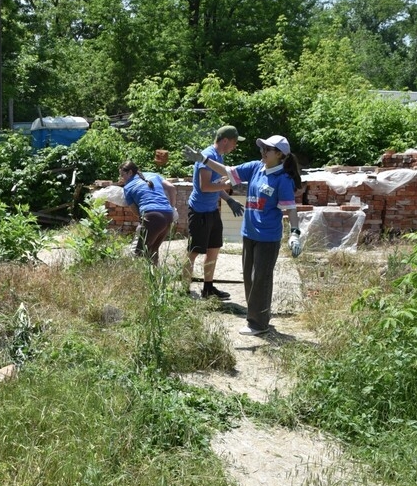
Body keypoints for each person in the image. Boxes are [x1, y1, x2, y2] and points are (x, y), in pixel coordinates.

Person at [183, 135, 303, 336]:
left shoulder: (283, 179)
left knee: (261, 280)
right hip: (249, 233)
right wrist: (202, 160)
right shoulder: (257, 167)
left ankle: (259, 324)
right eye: (263, 148)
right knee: (249, 278)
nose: (263, 152)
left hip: (268, 237)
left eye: (268, 149)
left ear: (280, 155)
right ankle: (256, 316)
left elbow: (291, 210)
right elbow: (228, 172)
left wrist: (295, 233)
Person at [184, 125, 247, 300]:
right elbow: (205, 187)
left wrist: (228, 199)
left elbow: (216, 185)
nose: (235, 146)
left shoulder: (219, 156)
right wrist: (230, 184)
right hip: (199, 211)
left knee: (214, 249)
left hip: (211, 210)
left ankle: (208, 289)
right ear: (225, 140)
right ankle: (183, 289)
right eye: (234, 142)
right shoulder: (208, 156)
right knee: (194, 251)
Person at [117, 160, 178, 265]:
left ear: (130, 172)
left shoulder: (127, 187)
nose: (122, 178)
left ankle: (139, 280)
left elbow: (136, 211)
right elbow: (172, 188)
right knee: (153, 250)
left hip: (152, 216)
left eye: (123, 175)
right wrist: (172, 207)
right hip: (168, 215)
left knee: (139, 253)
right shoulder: (153, 175)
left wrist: (144, 220)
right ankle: (153, 279)